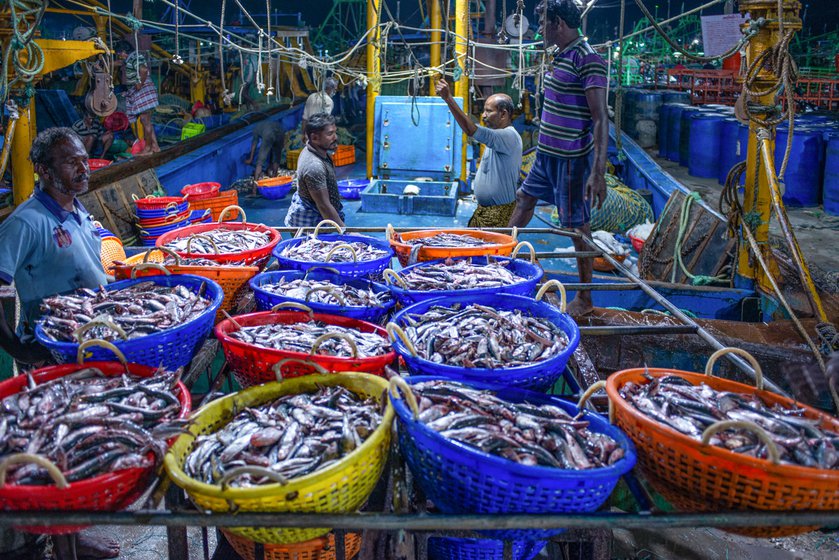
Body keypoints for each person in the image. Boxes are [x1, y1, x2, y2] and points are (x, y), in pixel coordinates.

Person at [0, 128, 116, 559]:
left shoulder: (77, 209)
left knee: (84, 445)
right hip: (50, 354)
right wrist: (18, 349)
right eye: (71, 162)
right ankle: (54, 543)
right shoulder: (25, 223)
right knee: (56, 451)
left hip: (86, 348)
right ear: (45, 171)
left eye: (84, 158)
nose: (83, 168)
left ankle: (76, 532)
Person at [508, 0, 608, 316]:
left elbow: (600, 117)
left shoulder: (588, 59)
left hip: (570, 159)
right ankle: (500, 259)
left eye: (543, 23)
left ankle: (586, 299)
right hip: (546, 154)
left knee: (577, 228)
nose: (539, 29)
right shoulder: (560, 55)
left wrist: (598, 172)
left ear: (559, 25)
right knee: (524, 201)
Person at [436, 78, 522, 227]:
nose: (483, 115)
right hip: (484, 212)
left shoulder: (509, 136)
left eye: (489, 111)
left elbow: (471, 130)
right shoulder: (498, 137)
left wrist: (448, 99)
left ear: (503, 114)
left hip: (498, 214)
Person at [284, 113, 344, 228]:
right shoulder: (314, 166)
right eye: (330, 134)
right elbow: (323, 206)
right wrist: (345, 231)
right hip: (310, 223)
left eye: (334, 132)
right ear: (315, 138)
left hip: (320, 217)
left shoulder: (319, 152)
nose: (335, 137)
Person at [116, 42, 160, 155]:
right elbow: (120, 63)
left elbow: (144, 70)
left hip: (143, 91)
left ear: (124, 52)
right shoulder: (132, 58)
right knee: (146, 121)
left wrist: (139, 83)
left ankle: (148, 149)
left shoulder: (134, 58)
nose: (119, 56)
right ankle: (155, 146)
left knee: (145, 121)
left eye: (119, 53)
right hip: (145, 90)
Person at [244, 119, 285, 191]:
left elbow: (254, 144)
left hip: (268, 134)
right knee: (276, 159)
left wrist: (250, 159)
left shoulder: (255, 128)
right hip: (280, 131)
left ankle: (254, 191)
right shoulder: (266, 122)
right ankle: (274, 184)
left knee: (259, 163)